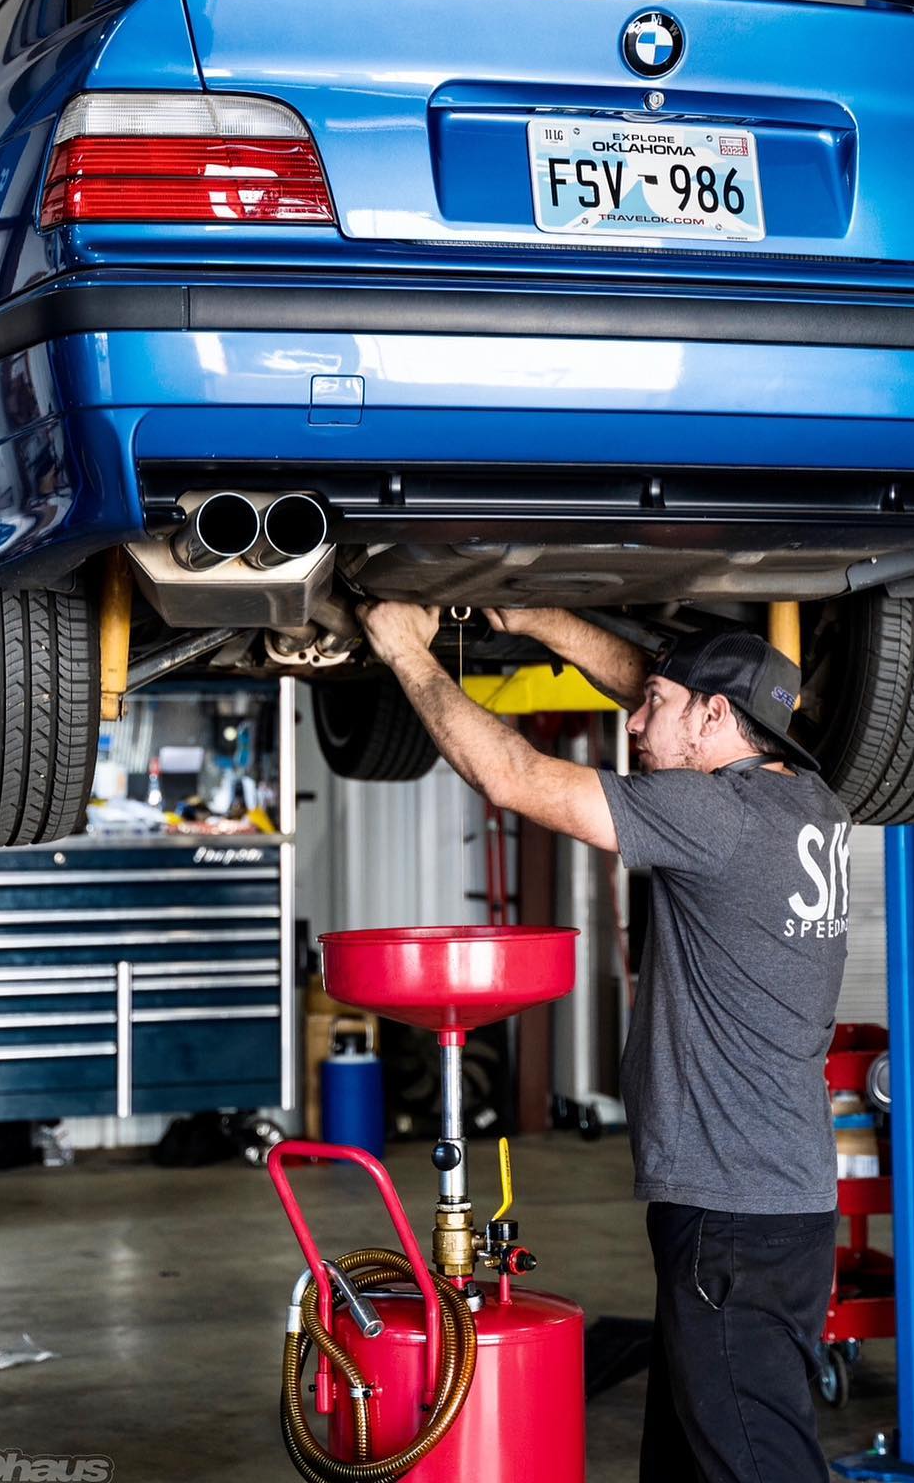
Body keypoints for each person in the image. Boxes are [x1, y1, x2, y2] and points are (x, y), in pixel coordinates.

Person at [357, 601, 851, 1483]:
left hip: (731, 1215)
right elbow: (673, 703)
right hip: (782, 1204)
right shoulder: (806, 801)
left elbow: (513, 778)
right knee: (693, 1456)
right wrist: (544, 618)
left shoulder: (714, 818)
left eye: (653, 704)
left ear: (714, 717)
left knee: (758, 1463)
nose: (633, 720)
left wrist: (406, 654)